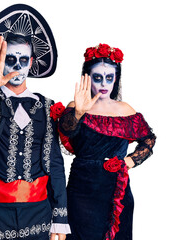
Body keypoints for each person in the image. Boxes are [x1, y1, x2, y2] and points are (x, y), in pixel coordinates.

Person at [0, 4, 70, 240]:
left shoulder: (48, 107)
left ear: (31, 62)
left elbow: (55, 165)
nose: (17, 66)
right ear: (0, 61)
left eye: (23, 59)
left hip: (38, 212)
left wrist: (60, 219)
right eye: (10, 59)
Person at [58, 43, 156, 240]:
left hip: (115, 190)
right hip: (82, 189)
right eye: (97, 78)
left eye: (109, 78)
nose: (104, 84)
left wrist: (129, 161)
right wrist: (78, 112)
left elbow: (148, 139)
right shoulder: (76, 107)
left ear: (115, 79)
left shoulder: (125, 109)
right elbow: (65, 130)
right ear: (87, 78)